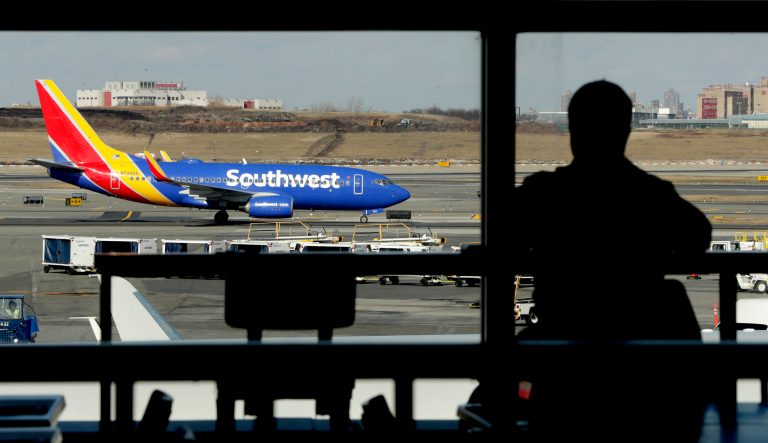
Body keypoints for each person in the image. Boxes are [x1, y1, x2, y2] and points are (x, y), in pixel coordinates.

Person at [512, 80, 711, 442]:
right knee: (673, 296)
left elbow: (503, 235)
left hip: (564, 367)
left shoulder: (542, 194)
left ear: (572, 130)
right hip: (639, 376)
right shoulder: (650, 195)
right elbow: (699, 236)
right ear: (626, 131)